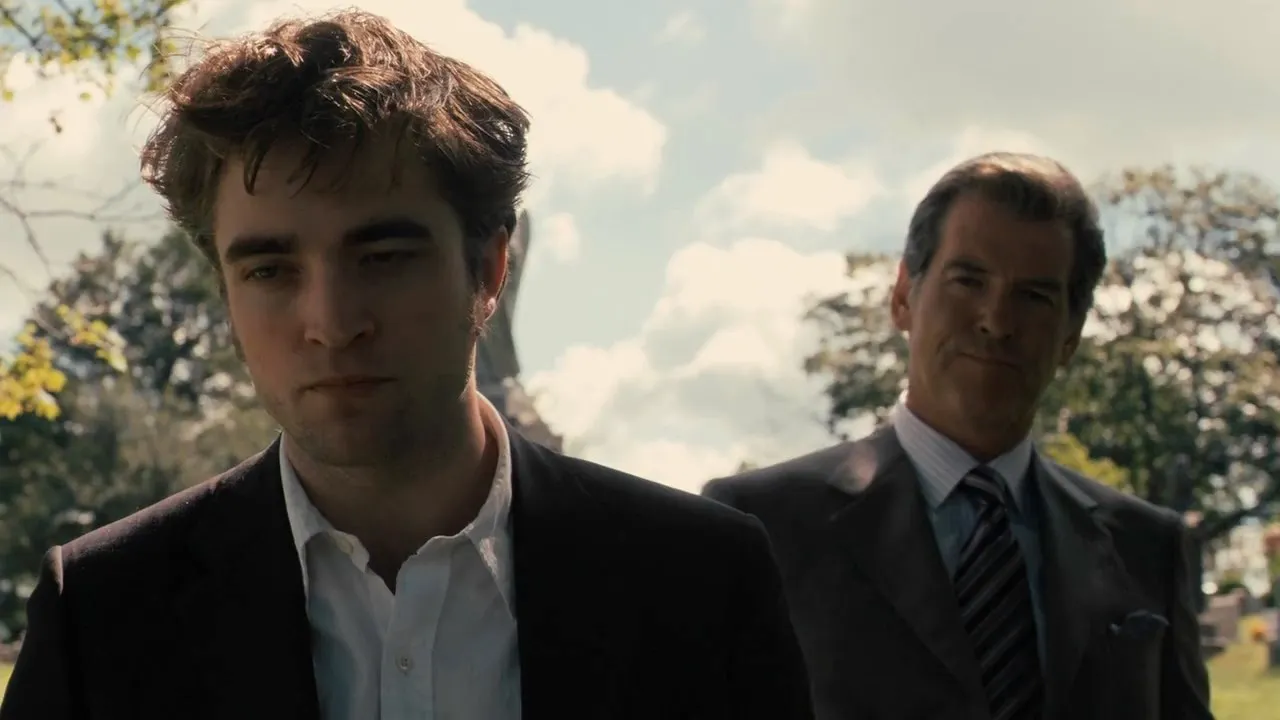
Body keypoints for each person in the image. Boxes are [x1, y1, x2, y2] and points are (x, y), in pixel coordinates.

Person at [0, 11, 813, 720]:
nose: (331, 324)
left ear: (489, 270)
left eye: (383, 256)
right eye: (270, 270)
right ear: (225, 292)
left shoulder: (701, 582)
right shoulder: (102, 613)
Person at [703, 153, 1214, 720]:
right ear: (904, 296)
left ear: (1071, 334)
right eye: (968, 280)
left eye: (1034, 296)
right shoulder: (761, 526)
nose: (996, 320)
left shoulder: (1147, 548)